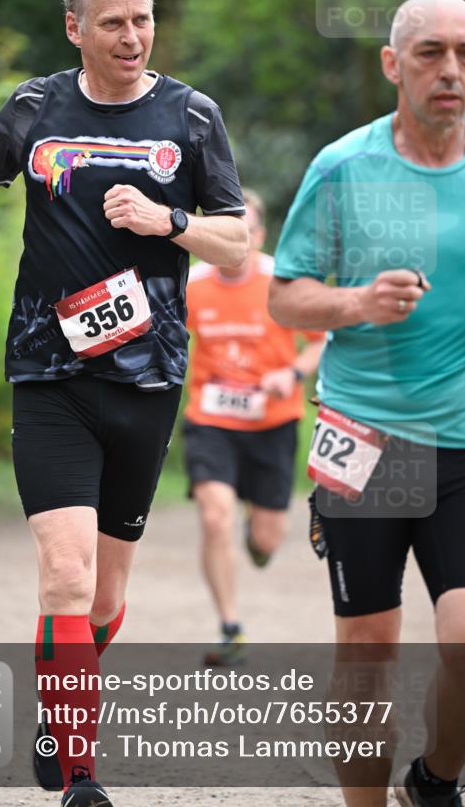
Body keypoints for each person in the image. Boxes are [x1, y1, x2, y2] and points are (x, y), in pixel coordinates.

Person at [0, 0, 248, 807]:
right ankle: (80, 776)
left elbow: (236, 243)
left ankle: (57, 700)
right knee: (62, 577)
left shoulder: (192, 117)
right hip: (48, 371)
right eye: (112, 22)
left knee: (102, 596)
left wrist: (166, 219)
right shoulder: (34, 107)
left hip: (146, 379)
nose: (131, 35)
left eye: (140, 19)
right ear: (76, 28)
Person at [268, 0, 465, 807]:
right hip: (362, 441)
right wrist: (356, 303)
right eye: (429, 53)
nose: (450, 70)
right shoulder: (343, 168)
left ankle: (433, 781)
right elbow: (284, 297)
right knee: (368, 654)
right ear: (391, 64)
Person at [183, 188, 324, 666]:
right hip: (211, 418)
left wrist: (295, 373)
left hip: (273, 421)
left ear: (259, 235)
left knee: (266, 539)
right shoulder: (192, 283)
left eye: (244, 229)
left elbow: (319, 343)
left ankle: (256, 535)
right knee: (214, 516)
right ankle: (230, 626)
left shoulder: (281, 281)